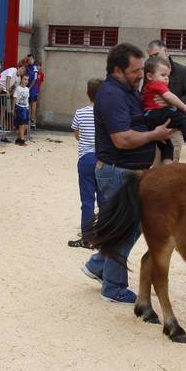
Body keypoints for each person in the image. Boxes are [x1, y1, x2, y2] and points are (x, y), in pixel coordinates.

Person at [81, 43, 175, 304]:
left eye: (142, 70)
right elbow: (122, 139)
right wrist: (155, 135)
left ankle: (98, 265)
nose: (140, 75)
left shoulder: (129, 90)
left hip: (129, 173)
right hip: (118, 173)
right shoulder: (112, 95)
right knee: (125, 230)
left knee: (127, 227)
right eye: (135, 71)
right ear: (117, 70)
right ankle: (113, 287)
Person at [140, 56, 186, 154]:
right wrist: (184, 107)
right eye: (163, 75)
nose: (166, 78)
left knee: (167, 147)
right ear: (150, 76)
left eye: (167, 76)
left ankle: (167, 160)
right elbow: (170, 97)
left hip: (149, 117)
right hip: (157, 114)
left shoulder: (147, 87)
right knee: (183, 118)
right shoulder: (156, 84)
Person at [147, 40, 186, 162]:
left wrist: (173, 103)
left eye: (156, 55)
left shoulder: (183, 71)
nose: (153, 59)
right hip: (155, 127)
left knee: (170, 168)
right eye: (150, 56)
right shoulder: (149, 72)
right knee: (154, 168)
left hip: (174, 128)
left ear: (166, 52)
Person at [68, 78, 104, 249]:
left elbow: (76, 134)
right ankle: (104, 236)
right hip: (104, 158)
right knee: (104, 199)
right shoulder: (107, 113)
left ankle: (87, 237)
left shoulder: (80, 112)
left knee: (87, 200)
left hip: (86, 157)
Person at [13, 75, 30, 146]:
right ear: (21, 80)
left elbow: (27, 99)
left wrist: (28, 107)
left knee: (25, 125)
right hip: (19, 107)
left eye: (27, 80)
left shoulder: (27, 89)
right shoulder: (18, 88)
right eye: (24, 79)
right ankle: (22, 140)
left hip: (25, 107)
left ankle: (18, 139)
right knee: (21, 124)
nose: (26, 81)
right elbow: (14, 98)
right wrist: (13, 108)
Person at [26, 54, 39, 128]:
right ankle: (28, 120)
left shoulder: (35, 68)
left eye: (31, 59)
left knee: (33, 104)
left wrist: (29, 88)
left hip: (33, 90)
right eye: (28, 59)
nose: (30, 61)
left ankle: (33, 120)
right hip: (27, 89)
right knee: (28, 105)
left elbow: (34, 79)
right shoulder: (27, 67)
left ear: (33, 60)